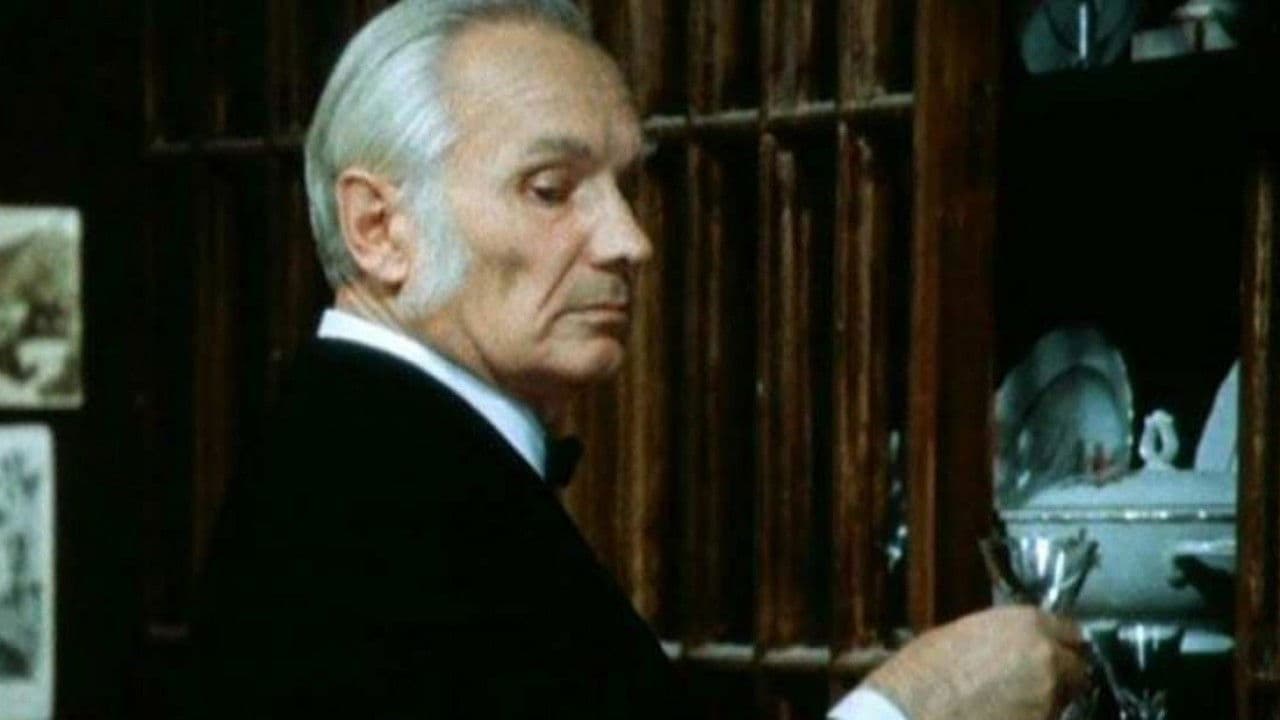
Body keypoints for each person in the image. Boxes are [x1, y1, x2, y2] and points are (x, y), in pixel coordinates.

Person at [188, 1, 1090, 718]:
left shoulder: (376, 452)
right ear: (379, 228)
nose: (629, 240)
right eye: (552, 190)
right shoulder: (376, 498)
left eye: (625, 185)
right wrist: (915, 708)